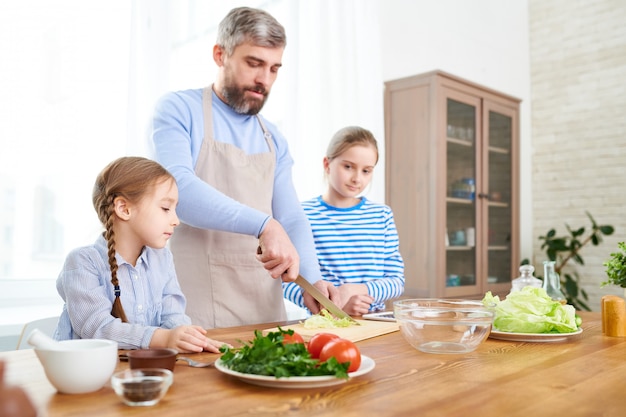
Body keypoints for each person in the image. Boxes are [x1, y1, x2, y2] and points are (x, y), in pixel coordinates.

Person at [151, 7, 337, 328]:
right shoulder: (178, 110)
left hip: (262, 304)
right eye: (254, 63)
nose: (264, 79)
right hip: (194, 304)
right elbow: (177, 188)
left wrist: (313, 279)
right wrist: (265, 225)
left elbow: (290, 216)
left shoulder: (273, 138)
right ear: (220, 54)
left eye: (274, 68)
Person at [54, 157, 229, 353]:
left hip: (139, 369)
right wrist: (162, 338)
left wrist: (186, 336)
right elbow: (97, 329)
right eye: (165, 208)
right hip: (83, 373)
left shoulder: (162, 258)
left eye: (175, 209)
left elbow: (172, 314)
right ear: (124, 209)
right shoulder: (82, 262)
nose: (176, 220)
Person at [283, 126, 405, 315]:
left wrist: (354, 290)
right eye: (348, 167)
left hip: (374, 322)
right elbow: (287, 280)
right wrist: (330, 306)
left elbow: (397, 281)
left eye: (366, 171)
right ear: (327, 164)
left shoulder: (382, 215)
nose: (357, 178)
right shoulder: (302, 214)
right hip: (325, 324)